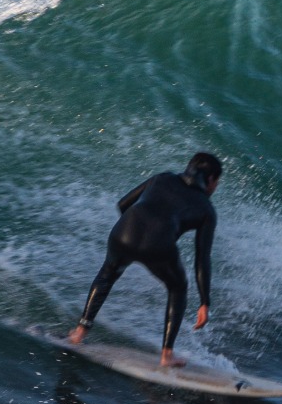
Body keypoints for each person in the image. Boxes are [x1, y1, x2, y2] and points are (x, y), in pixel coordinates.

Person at [69, 152, 222, 367]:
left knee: (108, 274)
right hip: (158, 244)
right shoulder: (206, 209)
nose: (215, 188)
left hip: (124, 232)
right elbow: (202, 258)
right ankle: (167, 355)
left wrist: (134, 231)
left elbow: (123, 204)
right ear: (211, 179)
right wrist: (205, 302)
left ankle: (79, 333)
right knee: (178, 286)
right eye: (217, 183)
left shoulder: (162, 178)